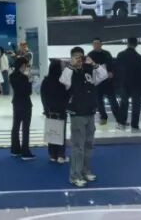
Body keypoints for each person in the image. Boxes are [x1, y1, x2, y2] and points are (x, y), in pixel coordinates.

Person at [60, 46, 108, 188]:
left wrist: (93, 64)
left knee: (88, 144)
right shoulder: (68, 72)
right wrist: (71, 66)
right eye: (76, 57)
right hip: (77, 114)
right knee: (78, 146)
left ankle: (85, 171)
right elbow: (63, 81)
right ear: (71, 58)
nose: (79, 59)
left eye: (81, 56)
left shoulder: (89, 71)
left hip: (90, 113)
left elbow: (104, 75)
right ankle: (75, 176)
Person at [40, 59, 69, 164]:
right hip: (61, 110)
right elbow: (66, 95)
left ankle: (52, 155)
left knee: (51, 132)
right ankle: (61, 155)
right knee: (61, 133)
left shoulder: (46, 81)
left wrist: (45, 109)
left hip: (50, 111)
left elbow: (43, 96)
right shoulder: (62, 80)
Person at [87, 38, 121, 126]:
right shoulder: (90, 55)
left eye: (98, 43)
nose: (96, 45)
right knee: (99, 101)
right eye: (94, 43)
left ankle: (119, 118)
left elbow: (112, 65)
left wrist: (112, 72)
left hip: (107, 81)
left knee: (113, 100)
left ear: (101, 44)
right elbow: (87, 68)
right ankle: (103, 117)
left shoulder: (107, 53)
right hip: (97, 81)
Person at [114, 37, 141, 131]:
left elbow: (117, 70)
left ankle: (121, 123)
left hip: (123, 83)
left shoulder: (121, 55)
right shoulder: (140, 57)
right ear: (136, 45)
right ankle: (135, 126)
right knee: (136, 105)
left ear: (127, 43)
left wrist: (117, 83)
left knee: (124, 104)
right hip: (136, 84)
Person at [9, 57, 34, 159]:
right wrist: (30, 81)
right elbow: (28, 92)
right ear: (23, 65)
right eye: (26, 65)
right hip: (25, 104)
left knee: (15, 126)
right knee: (25, 128)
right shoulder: (24, 77)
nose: (26, 67)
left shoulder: (11, 76)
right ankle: (25, 152)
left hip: (16, 102)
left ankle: (15, 149)